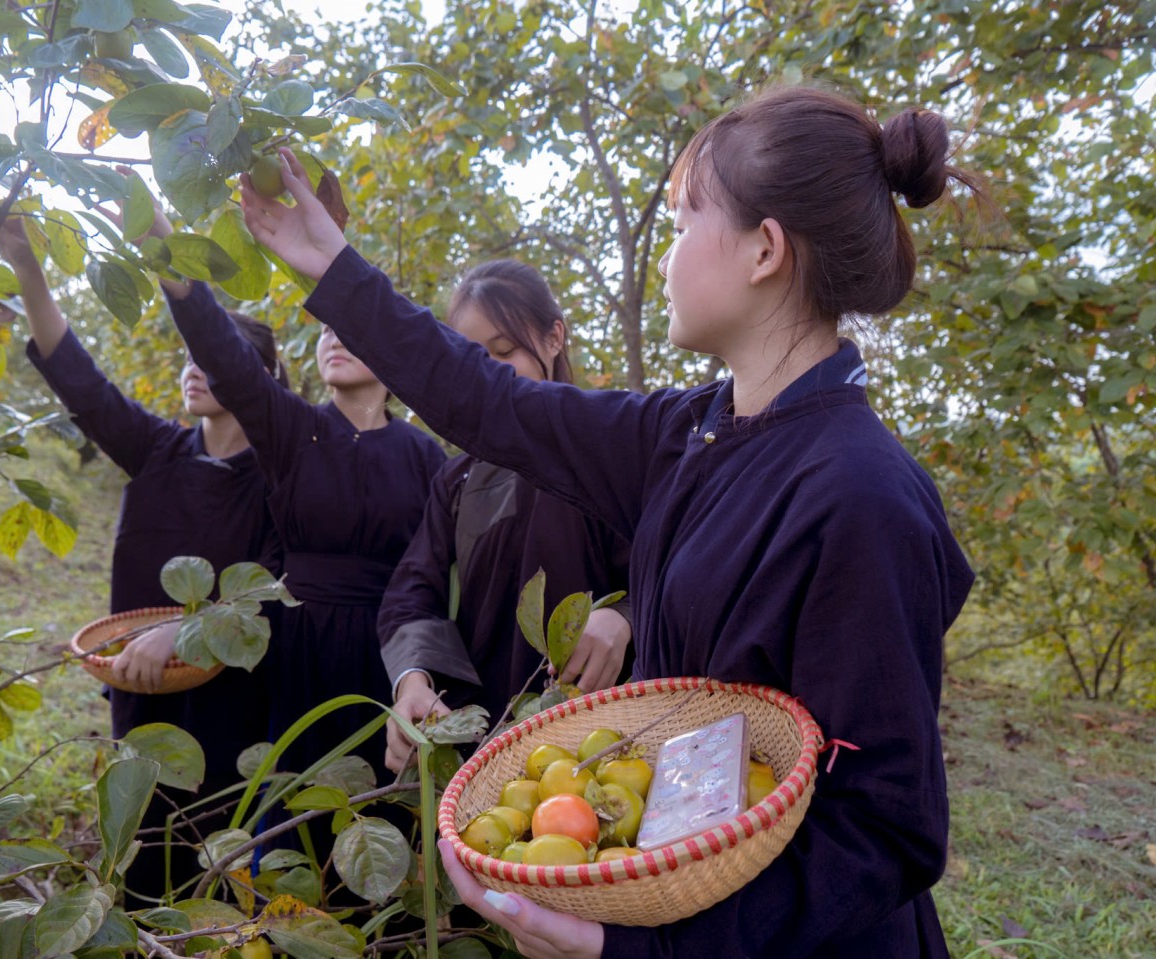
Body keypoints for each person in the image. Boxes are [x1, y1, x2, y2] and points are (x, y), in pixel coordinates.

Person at [240, 85, 980, 958]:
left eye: (681, 223)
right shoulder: (690, 433)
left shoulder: (860, 497)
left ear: (763, 250)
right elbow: (489, 404)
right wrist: (334, 268)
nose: (666, 258)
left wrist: (634, 952)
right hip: (682, 883)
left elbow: (882, 832)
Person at [0, 220, 283, 906]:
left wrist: (184, 631)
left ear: (257, 375)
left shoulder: (281, 480)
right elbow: (79, 379)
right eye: (191, 353)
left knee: (221, 854)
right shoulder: (156, 449)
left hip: (235, 702)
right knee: (148, 852)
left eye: (219, 353)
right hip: (140, 686)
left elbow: (274, 587)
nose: (195, 365)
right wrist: (30, 269)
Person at [135, 212, 448, 804]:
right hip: (295, 647)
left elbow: (440, 568)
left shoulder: (426, 456)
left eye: (351, 329)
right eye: (326, 330)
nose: (333, 336)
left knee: (384, 808)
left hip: (389, 654)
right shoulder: (291, 431)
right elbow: (222, 353)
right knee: (291, 807)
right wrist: (165, 248)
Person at [378, 259, 632, 774]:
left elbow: (682, 564)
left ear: (554, 337)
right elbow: (411, 594)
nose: (487, 373)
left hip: (610, 736)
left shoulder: (617, 441)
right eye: (471, 359)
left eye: (503, 351)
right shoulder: (458, 480)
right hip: (488, 742)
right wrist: (413, 680)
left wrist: (627, 618)